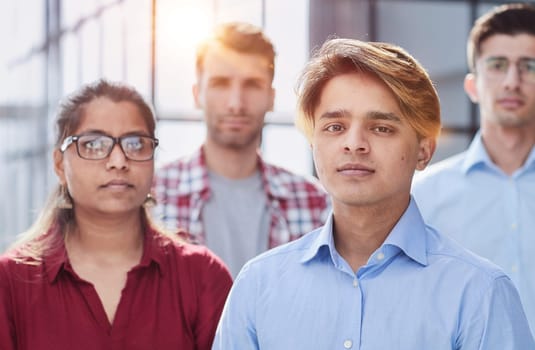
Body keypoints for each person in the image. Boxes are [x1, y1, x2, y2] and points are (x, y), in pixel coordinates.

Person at [212, 38, 535, 349]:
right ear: (314, 145)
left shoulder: (480, 293)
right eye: (335, 127)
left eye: (381, 128)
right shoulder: (257, 285)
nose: (354, 143)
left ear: (424, 150)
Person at [0, 80, 233, 350]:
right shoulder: (11, 281)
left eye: (136, 144)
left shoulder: (202, 275)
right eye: (94, 145)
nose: (119, 161)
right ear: (60, 165)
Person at [152, 22, 330, 277]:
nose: (236, 103)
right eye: (221, 84)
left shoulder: (316, 202)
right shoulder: (153, 195)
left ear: (271, 97)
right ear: (196, 94)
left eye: (252, 85)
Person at [412, 3, 535, 333]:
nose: (512, 81)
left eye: (529, 66)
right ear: (472, 86)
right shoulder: (423, 197)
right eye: (497, 65)